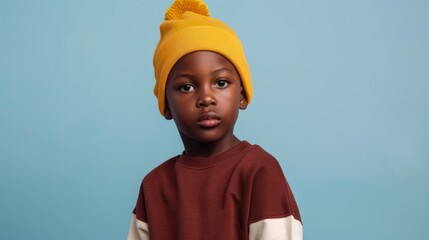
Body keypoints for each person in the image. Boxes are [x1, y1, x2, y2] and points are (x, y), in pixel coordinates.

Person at [128, 0, 302, 239]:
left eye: (221, 83)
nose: (206, 98)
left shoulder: (259, 172)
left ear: (242, 95)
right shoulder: (154, 186)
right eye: (187, 87)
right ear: (166, 105)